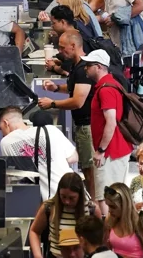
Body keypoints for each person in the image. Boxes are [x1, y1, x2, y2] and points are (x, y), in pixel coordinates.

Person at [37, 30, 99, 203]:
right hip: (82, 124)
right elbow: (75, 88)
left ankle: (93, 203)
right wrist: (56, 89)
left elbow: (78, 101)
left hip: (87, 125)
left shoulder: (83, 69)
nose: (60, 51)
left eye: (63, 48)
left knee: (88, 168)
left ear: (73, 46)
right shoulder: (76, 67)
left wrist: (53, 103)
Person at [82, 49, 135, 215]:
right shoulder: (110, 84)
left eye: (88, 65)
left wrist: (101, 150)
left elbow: (111, 122)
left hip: (111, 152)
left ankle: (111, 232)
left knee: (106, 196)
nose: (85, 68)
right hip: (114, 150)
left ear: (98, 67)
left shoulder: (106, 90)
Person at [0, 106, 78, 200]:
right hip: (73, 193)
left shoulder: (6, 142)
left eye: (1, 129)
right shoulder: (51, 130)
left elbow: (17, 174)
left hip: (44, 202)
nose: (2, 134)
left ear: (6, 123)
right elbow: (73, 158)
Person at [28, 173, 89, 258]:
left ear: (80, 195)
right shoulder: (49, 207)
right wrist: (38, 255)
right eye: (63, 196)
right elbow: (34, 231)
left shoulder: (91, 209)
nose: (67, 201)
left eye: (71, 198)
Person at [103, 183, 143, 258]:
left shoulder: (140, 222)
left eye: (113, 207)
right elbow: (107, 250)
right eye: (108, 206)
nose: (109, 210)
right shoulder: (110, 220)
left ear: (125, 205)